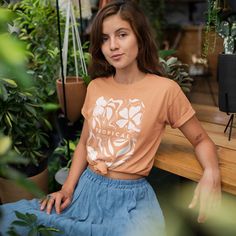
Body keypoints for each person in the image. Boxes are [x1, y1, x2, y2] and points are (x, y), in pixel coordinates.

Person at [0, 1, 221, 235]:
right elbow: (85, 143)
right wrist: (66, 189)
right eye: (104, 39)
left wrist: (211, 172)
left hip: (130, 201)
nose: (112, 45)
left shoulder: (165, 90)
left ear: (140, 37)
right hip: (85, 191)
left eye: (122, 34)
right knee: (12, 221)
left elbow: (201, 140)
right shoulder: (95, 87)